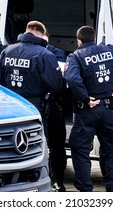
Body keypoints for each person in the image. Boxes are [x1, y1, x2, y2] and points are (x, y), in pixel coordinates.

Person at [64, 25, 113, 192]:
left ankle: (86, 191)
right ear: (94, 39)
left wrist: (85, 98)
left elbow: (73, 80)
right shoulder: (110, 50)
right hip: (109, 110)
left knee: (81, 150)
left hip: (87, 110)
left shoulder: (75, 56)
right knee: (110, 151)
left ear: (79, 41)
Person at [0, 21, 67, 191]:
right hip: (34, 106)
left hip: (10, 105)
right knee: (35, 145)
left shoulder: (7, 50)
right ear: (41, 35)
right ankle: (36, 182)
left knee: (10, 144)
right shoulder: (44, 54)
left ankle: (11, 182)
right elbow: (55, 85)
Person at [42, 32, 68, 192]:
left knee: (57, 146)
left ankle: (57, 180)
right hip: (37, 104)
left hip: (53, 104)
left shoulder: (56, 53)